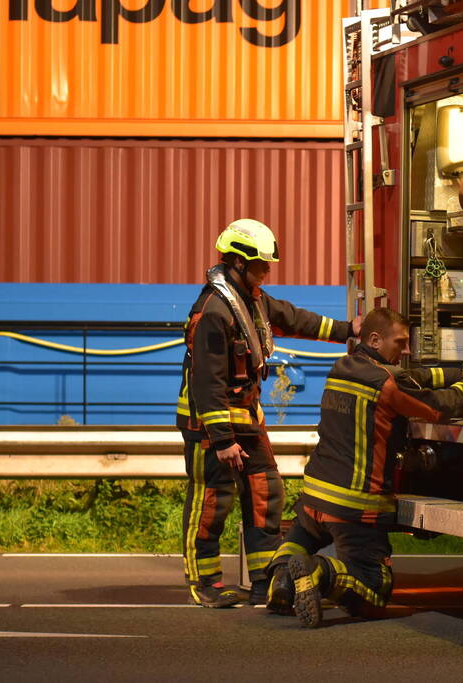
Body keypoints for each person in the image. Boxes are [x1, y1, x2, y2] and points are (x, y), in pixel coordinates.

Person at [176, 218, 359, 608]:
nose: (266, 272)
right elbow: (208, 382)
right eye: (260, 265)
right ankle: (205, 584)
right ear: (237, 263)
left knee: (265, 495)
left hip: (246, 419)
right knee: (212, 503)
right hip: (211, 428)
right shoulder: (213, 310)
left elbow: (296, 319)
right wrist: (222, 441)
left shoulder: (252, 300)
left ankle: (264, 580)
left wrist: (349, 331)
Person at [262, 307, 463, 626]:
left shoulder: (341, 367)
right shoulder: (385, 384)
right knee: (374, 591)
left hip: (315, 495)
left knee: (300, 536)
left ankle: (281, 584)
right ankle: (319, 573)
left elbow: (412, 378)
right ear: (375, 340)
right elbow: (434, 407)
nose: (406, 351)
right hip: (355, 506)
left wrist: (456, 371)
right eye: (400, 344)